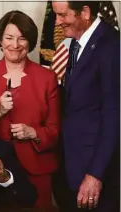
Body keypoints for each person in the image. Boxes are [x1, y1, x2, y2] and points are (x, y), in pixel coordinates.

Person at [0, 10, 60, 209]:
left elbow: (54, 131)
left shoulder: (47, 78)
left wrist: (33, 132)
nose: (15, 45)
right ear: (0, 40)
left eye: (22, 38)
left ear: (31, 41)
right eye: (9, 38)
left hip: (36, 171)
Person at [51, 1, 120, 211]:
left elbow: (114, 115)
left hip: (97, 174)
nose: (57, 21)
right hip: (73, 166)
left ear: (86, 12)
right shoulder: (76, 40)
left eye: (63, 15)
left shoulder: (111, 46)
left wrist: (95, 174)